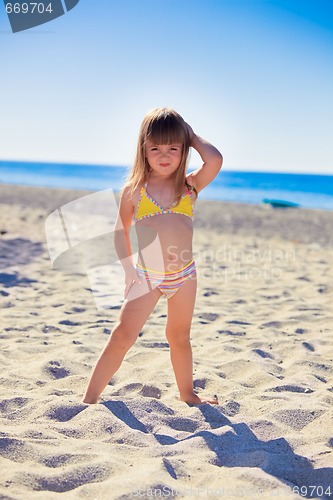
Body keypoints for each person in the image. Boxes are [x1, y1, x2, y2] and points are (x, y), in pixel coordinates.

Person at [82, 107, 223, 406]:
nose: (164, 155)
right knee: (122, 335)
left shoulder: (190, 186)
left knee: (179, 336)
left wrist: (193, 135)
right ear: (143, 150)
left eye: (174, 148)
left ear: (184, 150)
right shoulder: (135, 191)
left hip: (184, 275)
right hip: (147, 275)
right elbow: (121, 232)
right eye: (156, 148)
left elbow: (215, 159)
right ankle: (90, 398)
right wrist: (128, 270)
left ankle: (188, 394)